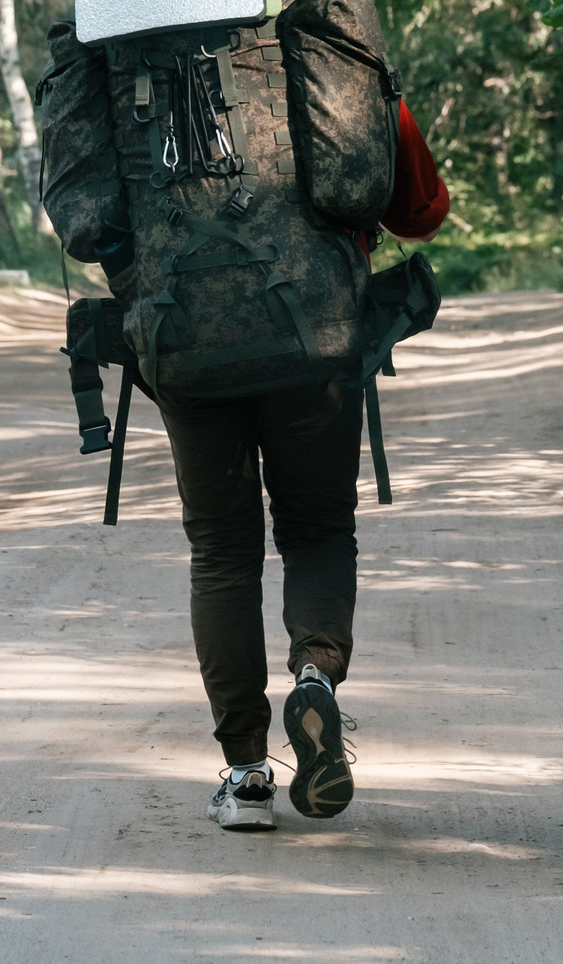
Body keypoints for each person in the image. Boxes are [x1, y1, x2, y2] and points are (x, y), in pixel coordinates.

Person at [168, 98, 452, 832]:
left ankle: (246, 775)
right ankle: (316, 673)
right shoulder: (332, 59)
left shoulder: (141, 62)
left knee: (223, 552)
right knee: (318, 526)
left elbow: (88, 224)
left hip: (184, 337)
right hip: (316, 334)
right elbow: (421, 210)